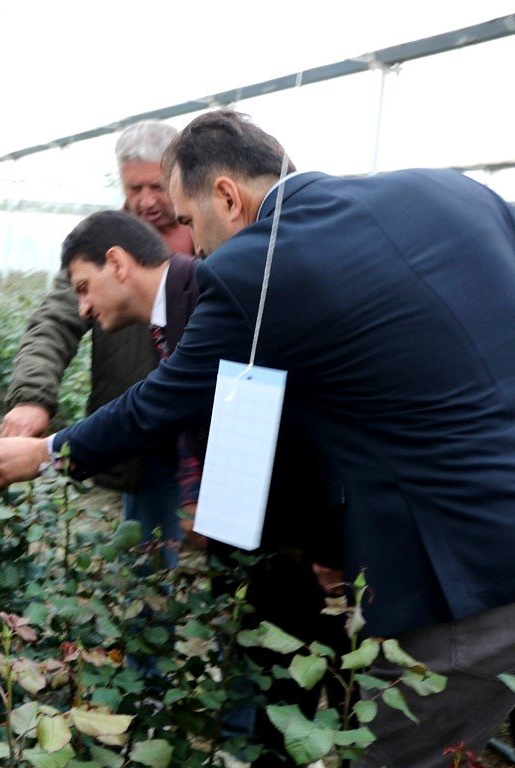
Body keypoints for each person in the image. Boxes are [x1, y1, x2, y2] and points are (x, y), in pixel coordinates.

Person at [0, 109, 515, 767]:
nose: (192, 247)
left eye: (191, 222)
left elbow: (161, 403)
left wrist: (49, 451)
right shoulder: (452, 192)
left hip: (481, 575)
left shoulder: (252, 265)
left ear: (227, 197)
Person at [57, 208, 349, 765]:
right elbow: (200, 411)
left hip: (298, 537)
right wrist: (206, 506)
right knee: (264, 675)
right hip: (255, 530)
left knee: (295, 691)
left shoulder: (213, 291)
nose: (83, 308)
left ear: (117, 262)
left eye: (84, 288)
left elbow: (165, 405)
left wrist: (52, 451)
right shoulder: (176, 311)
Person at [2, 120, 195, 568]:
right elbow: (55, 320)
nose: (145, 201)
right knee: (148, 565)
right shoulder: (104, 241)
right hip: (143, 440)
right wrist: (32, 397)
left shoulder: (216, 232)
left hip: (207, 432)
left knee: (228, 568)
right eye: (134, 188)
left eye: (156, 186)